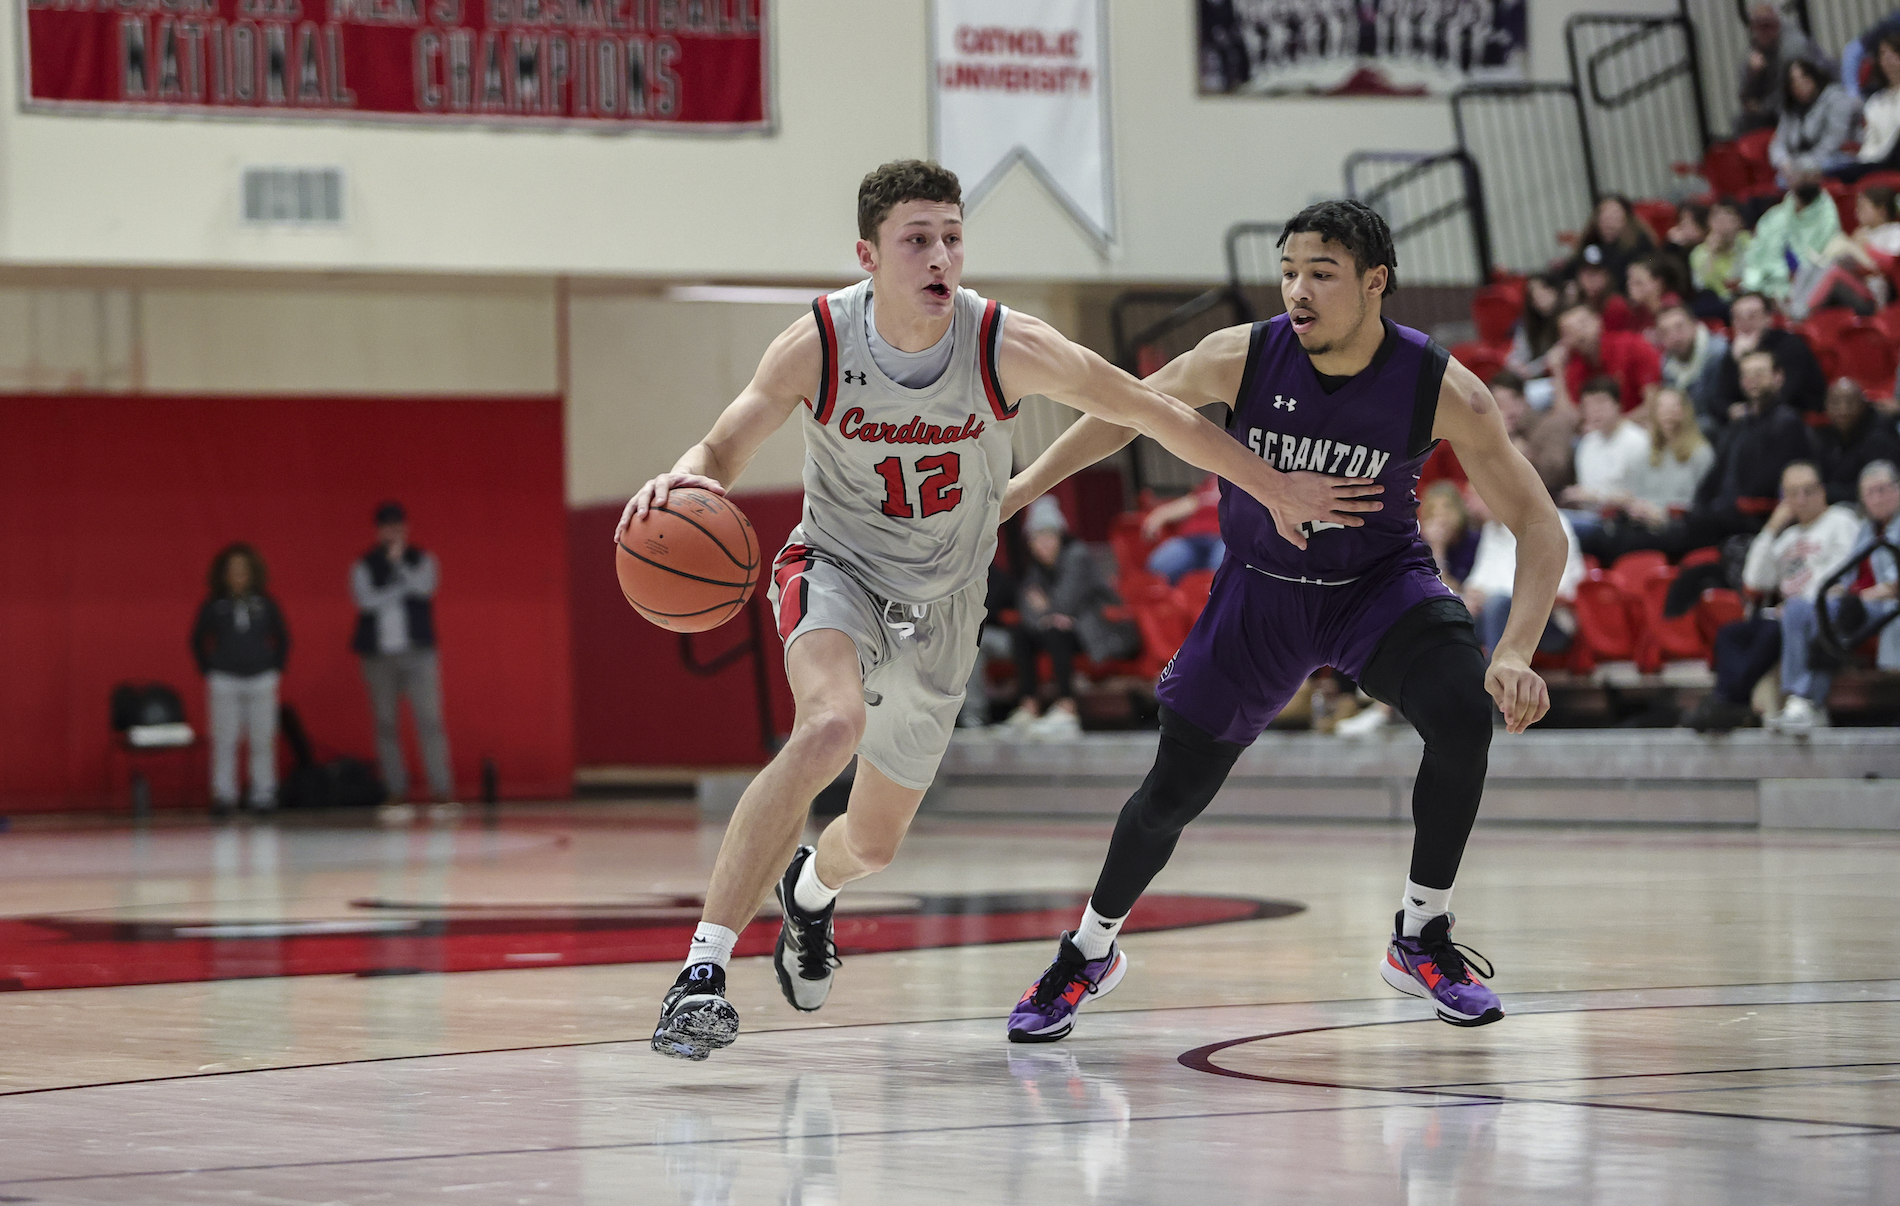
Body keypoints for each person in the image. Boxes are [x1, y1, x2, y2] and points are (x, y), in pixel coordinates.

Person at [626, 162, 1380, 1062]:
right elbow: (727, 440)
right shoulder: (819, 343)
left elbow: (1148, 409)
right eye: (917, 240)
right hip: (838, 570)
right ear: (868, 255)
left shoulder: (1003, 343)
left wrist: (1273, 484)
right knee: (829, 726)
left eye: (951, 237)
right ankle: (701, 974)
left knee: (870, 845)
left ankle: (813, 891)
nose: (940, 256)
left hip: (946, 608)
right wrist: (685, 477)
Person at [1002, 200, 1565, 1042]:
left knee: (1459, 710)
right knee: (1169, 795)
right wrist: (1013, 497)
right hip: (1260, 593)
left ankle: (1421, 934)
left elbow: (1540, 526)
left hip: (1379, 585)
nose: (1298, 291)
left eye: (1322, 274)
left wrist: (1516, 648)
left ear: (1376, 284)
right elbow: (1119, 415)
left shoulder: (1441, 389)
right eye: (1289, 272)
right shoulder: (1241, 354)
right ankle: (1088, 951)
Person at [1686, 461, 1861, 733]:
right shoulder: (1788, 536)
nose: (1801, 499)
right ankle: (1727, 700)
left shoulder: (1841, 521)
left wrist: (1799, 602)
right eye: (1793, 493)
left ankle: (1730, 703)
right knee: (1730, 635)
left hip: (1819, 611)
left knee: (1773, 629)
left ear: (1822, 491)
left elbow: (1843, 573)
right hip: (1782, 614)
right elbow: (1754, 580)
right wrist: (1770, 528)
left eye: (1808, 491)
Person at [1592, 350, 1815, 562]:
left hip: (1748, 519)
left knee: (1655, 534)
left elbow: (1766, 483)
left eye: (1759, 373)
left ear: (1778, 378)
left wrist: (1700, 514)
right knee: (1638, 524)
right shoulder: (1739, 426)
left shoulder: (1786, 423)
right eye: (1746, 374)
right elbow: (1712, 479)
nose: (1752, 380)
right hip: (1719, 516)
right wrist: (1695, 510)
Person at [1772, 460, 1900, 733]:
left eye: (1883, 490)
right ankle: (1795, 699)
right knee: (1797, 608)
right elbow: (1846, 577)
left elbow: (1893, 585)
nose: (1877, 498)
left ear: (1898, 490)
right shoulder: (1866, 528)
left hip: (1886, 607)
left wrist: (1858, 597)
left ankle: (1811, 701)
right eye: (1869, 492)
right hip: (1855, 603)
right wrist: (1838, 592)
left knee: (1833, 611)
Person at [1003, 497, 1134, 740]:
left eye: (1048, 536)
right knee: (1022, 632)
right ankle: (1028, 705)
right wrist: (1048, 613)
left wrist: (1046, 608)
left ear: (1060, 535)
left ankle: (1068, 708)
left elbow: (1066, 602)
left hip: (1100, 630)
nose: (1042, 543)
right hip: (1069, 629)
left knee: (1054, 632)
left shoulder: (1077, 556)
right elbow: (1027, 609)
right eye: (1035, 538)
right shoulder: (1036, 569)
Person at [351, 501, 454, 805]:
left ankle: (441, 789)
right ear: (378, 531)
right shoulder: (363, 564)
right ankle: (395, 789)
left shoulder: (422, 559)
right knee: (385, 723)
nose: (393, 532)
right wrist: (398, 590)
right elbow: (366, 602)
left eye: (398, 526)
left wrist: (398, 567)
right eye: (386, 527)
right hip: (379, 656)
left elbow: (425, 588)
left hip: (419, 654)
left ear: (406, 529)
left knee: (430, 720)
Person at [192, 543, 290, 816]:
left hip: (261, 678)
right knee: (225, 739)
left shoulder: (265, 603)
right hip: (225, 679)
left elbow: (283, 638)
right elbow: (197, 639)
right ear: (223, 574)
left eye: (243, 570)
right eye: (232, 570)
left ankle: (263, 794)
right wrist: (209, 670)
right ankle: (224, 795)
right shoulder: (214, 605)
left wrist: (274, 669)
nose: (238, 576)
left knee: (262, 738)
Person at [1461, 488, 1583, 656]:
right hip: (1498, 613)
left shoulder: (1549, 522)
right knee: (1452, 611)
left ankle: (1496, 679)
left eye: (1476, 496)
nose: (1470, 504)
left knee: (1497, 606)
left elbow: (1556, 588)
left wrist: (1488, 595)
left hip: (1550, 622)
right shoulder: (1491, 528)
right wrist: (1471, 596)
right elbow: (1477, 580)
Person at [1559, 377, 1651, 540]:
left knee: (1561, 527)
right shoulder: (1587, 443)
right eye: (1588, 405)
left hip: (1626, 522)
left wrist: (1596, 497)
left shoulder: (1638, 441)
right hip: (1591, 518)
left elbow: (1642, 496)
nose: (1595, 410)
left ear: (1618, 405)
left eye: (1600, 403)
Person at [1712, 292, 1827, 419]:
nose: (1745, 323)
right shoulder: (1735, 349)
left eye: (1752, 316)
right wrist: (1731, 410)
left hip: (1797, 419)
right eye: (1738, 318)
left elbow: (1781, 397)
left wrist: (1741, 360)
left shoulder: (1790, 346)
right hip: (1753, 421)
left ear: (1768, 318)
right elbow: (1718, 400)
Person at [1743, 167, 1845, 302]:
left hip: (1812, 287)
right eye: (1803, 175)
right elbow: (1756, 258)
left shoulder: (1828, 215)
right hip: (1769, 290)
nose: (1808, 179)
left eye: (1812, 176)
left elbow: (1824, 259)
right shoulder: (1773, 218)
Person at [1547, 303, 1661, 416]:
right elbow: (1569, 419)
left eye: (1582, 324)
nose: (1579, 333)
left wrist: (1618, 426)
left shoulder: (1632, 346)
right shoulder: (1574, 369)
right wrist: (1558, 371)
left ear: (1598, 321)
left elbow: (1653, 404)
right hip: (1601, 431)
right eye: (1569, 331)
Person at [1769, 57, 1862, 181]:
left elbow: (1834, 141)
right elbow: (1777, 144)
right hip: (1802, 164)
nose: (1800, 84)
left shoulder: (1836, 98)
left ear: (1814, 77)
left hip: (1839, 158)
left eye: (1804, 78)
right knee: (1781, 180)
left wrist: (1802, 165)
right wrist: (1785, 162)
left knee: (1794, 180)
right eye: (1793, 81)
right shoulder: (1790, 110)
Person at [1735, 3, 1821, 136]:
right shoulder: (1755, 50)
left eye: (1768, 25)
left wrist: (1761, 108)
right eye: (1758, 26)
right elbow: (1744, 97)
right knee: (1741, 122)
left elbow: (1791, 91)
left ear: (1777, 25)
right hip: (1775, 109)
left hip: (1809, 103)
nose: (1763, 32)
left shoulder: (1792, 48)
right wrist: (1752, 75)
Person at [1490, 369, 1576, 498]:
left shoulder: (1551, 425)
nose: (1502, 410)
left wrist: (1526, 456)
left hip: (1555, 501)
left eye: (1502, 403)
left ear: (1522, 399)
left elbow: (1556, 472)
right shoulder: (1503, 434)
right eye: (1496, 405)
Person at [1813, 379, 1900, 505]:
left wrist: (1825, 493)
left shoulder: (1880, 437)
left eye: (1850, 402)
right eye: (1836, 403)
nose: (1843, 409)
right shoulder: (1825, 436)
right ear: (1826, 406)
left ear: (1864, 405)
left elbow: (1878, 490)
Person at [1656, 303, 1731, 432]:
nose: (1674, 337)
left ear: (1694, 325)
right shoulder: (1666, 364)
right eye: (1665, 332)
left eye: (1679, 327)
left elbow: (1715, 410)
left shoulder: (1718, 353)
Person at [1837, 32, 1900, 182]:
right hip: (1878, 159)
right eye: (1883, 55)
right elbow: (1871, 142)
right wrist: (1863, 162)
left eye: (1894, 53)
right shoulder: (1875, 102)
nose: (1888, 60)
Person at [1141, 473, 1225, 584]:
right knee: (1159, 567)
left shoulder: (1247, 478)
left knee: (1224, 571)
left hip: (1225, 539)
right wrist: (1158, 515)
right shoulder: (1213, 478)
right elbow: (1193, 501)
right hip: (1191, 539)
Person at [1568, 195, 1656, 290]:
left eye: (1614, 216)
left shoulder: (1639, 244)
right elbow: (1572, 270)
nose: (1609, 221)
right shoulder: (1590, 244)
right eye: (1605, 216)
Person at [1689, 198, 1751, 316]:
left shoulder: (1749, 243)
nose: (1721, 221)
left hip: (1747, 295)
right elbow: (1701, 285)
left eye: (1727, 215)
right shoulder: (1699, 253)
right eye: (1716, 216)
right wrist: (1711, 255)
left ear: (1739, 221)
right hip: (1720, 304)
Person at [1506, 272, 1566, 385]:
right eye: (1533, 293)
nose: (1538, 295)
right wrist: (1515, 365)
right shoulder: (1527, 323)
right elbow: (1517, 352)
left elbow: (1558, 354)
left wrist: (1531, 370)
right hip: (1531, 378)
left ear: (1556, 290)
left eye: (1544, 289)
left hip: (1557, 377)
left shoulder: (1567, 318)